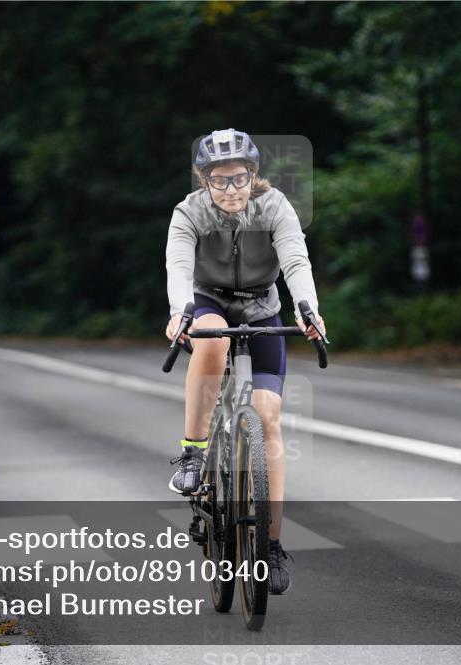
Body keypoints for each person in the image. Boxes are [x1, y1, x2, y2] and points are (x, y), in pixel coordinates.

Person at [164, 128, 326, 595]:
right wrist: (180, 313)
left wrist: (307, 309)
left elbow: (296, 261)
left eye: (239, 178)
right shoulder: (188, 213)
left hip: (262, 306)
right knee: (211, 342)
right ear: (203, 179)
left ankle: (271, 547)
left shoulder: (275, 207)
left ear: (253, 175)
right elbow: (178, 265)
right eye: (219, 180)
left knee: (269, 420)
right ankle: (194, 453)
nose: (230, 189)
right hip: (207, 300)